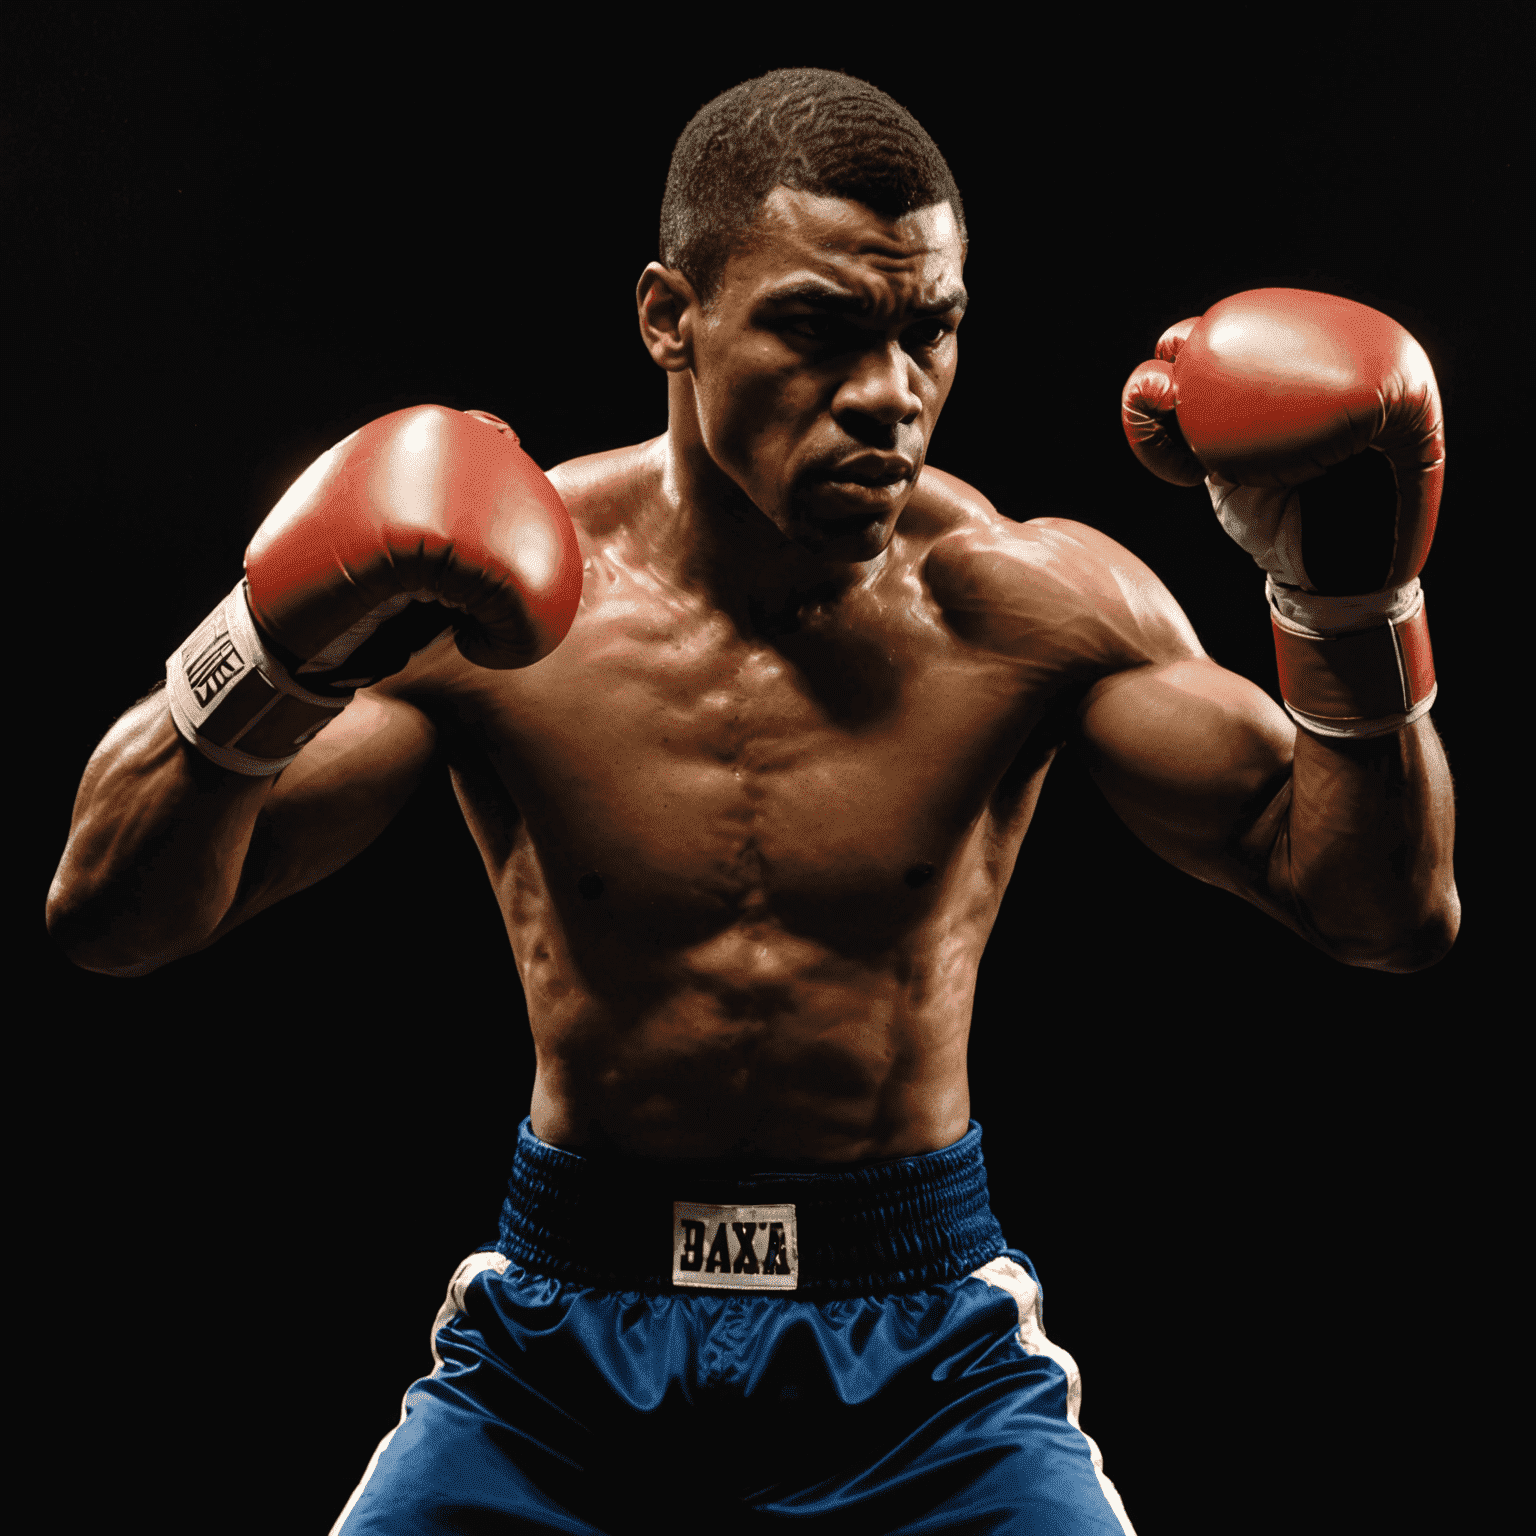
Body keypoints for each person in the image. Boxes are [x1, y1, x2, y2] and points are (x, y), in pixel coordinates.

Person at [46, 68, 1457, 1534]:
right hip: (554, 1366)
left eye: (931, 332)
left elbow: (1383, 912)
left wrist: (1345, 599)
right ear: (671, 317)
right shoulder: (502, 610)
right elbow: (114, 916)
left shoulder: (1028, 606)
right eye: (820, 329)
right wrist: (267, 645)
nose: (889, 394)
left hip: (924, 1369)